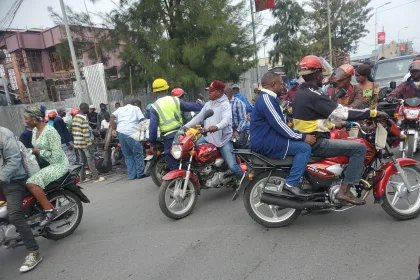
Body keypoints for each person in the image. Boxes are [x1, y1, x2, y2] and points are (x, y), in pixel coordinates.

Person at [292, 55, 385, 205]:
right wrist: (372, 113)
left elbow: (312, 120)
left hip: (310, 138)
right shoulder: (314, 95)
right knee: (359, 148)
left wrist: (335, 125)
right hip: (317, 143)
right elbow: (343, 113)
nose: (322, 76)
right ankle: (345, 191)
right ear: (317, 74)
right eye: (321, 73)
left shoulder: (300, 94)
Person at [250, 73, 315, 196]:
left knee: (300, 142)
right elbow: (279, 125)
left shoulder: (267, 98)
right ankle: (291, 184)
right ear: (273, 85)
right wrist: (303, 136)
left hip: (269, 138)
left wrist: (299, 133)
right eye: (281, 83)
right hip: (266, 141)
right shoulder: (267, 100)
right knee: (304, 148)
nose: (283, 86)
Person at [0, 126, 43, 272]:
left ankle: (33, 252)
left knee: (14, 214)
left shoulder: (4, 134)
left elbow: (14, 160)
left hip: (13, 180)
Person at [184, 80, 244, 178]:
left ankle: (246, 181)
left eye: (211, 91)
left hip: (223, 140)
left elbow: (226, 121)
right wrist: (186, 126)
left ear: (219, 92)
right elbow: (199, 117)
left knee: (233, 166)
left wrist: (216, 127)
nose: (209, 93)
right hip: (209, 137)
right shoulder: (208, 104)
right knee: (192, 151)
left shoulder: (225, 105)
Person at [23, 105, 69, 226]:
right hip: (42, 163)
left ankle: (49, 210)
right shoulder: (34, 130)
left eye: (26, 118)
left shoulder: (50, 131)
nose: (25, 121)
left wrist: (38, 152)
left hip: (57, 165)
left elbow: (57, 156)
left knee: (31, 183)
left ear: (34, 119)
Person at [148, 78, 203, 170]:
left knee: (174, 164)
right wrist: (204, 106)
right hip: (182, 134)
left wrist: (152, 142)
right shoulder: (175, 100)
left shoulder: (154, 106)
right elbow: (189, 106)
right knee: (189, 157)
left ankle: (178, 181)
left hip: (169, 138)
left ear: (154, 91)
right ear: (166, 89)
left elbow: (153, 128)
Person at [110, 100, 148, 180]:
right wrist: (144, 132)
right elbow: (142, 120)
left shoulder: (119, 109)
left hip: (120, 132)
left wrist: (113, 129)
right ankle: (140, 174)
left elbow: (111, 116)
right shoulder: (135, 108)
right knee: (138, 153)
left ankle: (132, 175)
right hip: (132, 132)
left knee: (128, 155)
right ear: (134, 104)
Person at [72, 103, 105, 183]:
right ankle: (96, 177)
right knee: (90, 159)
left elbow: (73, 131)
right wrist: (90, 144)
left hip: (77, 143)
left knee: (81, 161)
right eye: (88, 108)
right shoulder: (83, 118)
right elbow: (85, 133)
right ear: (85, 108)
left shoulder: (75, 117)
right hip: (84, 143)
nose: (89, 110)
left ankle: (82, 178)